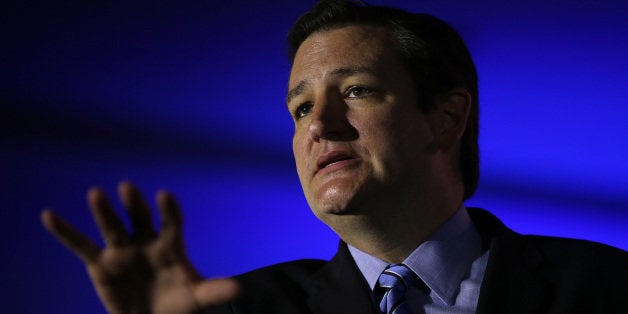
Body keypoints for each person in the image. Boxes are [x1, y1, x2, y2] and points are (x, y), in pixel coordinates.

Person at [41, 1, 628, 313]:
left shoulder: (608, 288)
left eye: (355, 91)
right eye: (300, 109)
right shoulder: (236, 312)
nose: (319, 125)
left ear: (446, 118)